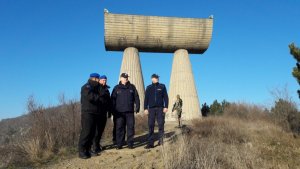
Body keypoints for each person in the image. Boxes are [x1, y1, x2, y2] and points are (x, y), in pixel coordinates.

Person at [78, 73, 107, 159]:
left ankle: (88, 149)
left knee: (92, 133)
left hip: (95, 113)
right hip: (88, 113)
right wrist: (99, 97)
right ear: (93, 79)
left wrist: (101, 95)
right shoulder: (86, 87)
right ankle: (82, 151)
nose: (98, 81)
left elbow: (103, 94)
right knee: (86, 132)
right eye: (97, 79)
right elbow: (90, 97)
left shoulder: (97, 87)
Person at [111, 73, 140, 149]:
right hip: (119, 112)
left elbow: (136, 97)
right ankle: (119, 144)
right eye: (124, 77)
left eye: (127, 77)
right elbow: (112, 100)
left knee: (130, 127)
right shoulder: (116, 88)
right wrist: (113, 110)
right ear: (121, 78)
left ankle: (130, 144)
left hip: (130, 112)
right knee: (119, 128)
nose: (126, 78)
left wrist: (137, 106)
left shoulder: (132, 87)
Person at [144, 74, 169, 149]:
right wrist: (145, 108)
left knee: (161, 124)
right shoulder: (148, 87)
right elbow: (146, 99)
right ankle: (150, 143)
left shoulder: (162, 86)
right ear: (152, 79)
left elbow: (166, 97)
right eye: (155, 78)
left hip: (160, 108)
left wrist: (166, 106)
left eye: (157, 78)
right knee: (151, 125)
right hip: (151, 109)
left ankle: (160, 141)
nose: (157, 79)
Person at [91, 75, 112, 156]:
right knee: (96, 131)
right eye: (103, 80)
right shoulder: (96, 88)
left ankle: (97, 144)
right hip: (97, 112)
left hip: (104, 112)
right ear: (99, 80)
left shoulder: (106, 89)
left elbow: (109, 102)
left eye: (105, 80)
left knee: (101, 130)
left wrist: (109, 111)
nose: (104, 82)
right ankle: (94, 146)